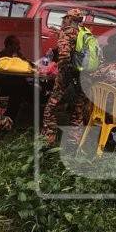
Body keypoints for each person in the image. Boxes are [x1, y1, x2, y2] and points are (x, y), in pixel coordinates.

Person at [41, 8, 88, 146]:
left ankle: (48, 142)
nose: (63, 20)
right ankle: (75, 144)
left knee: (51, 109)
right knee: (77, 110)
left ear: (69, 19)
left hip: (67, 78)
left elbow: (64, 55)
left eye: (65, 18)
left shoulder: (67, 32)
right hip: (83, 77)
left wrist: (65, 74)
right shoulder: (85, 33)